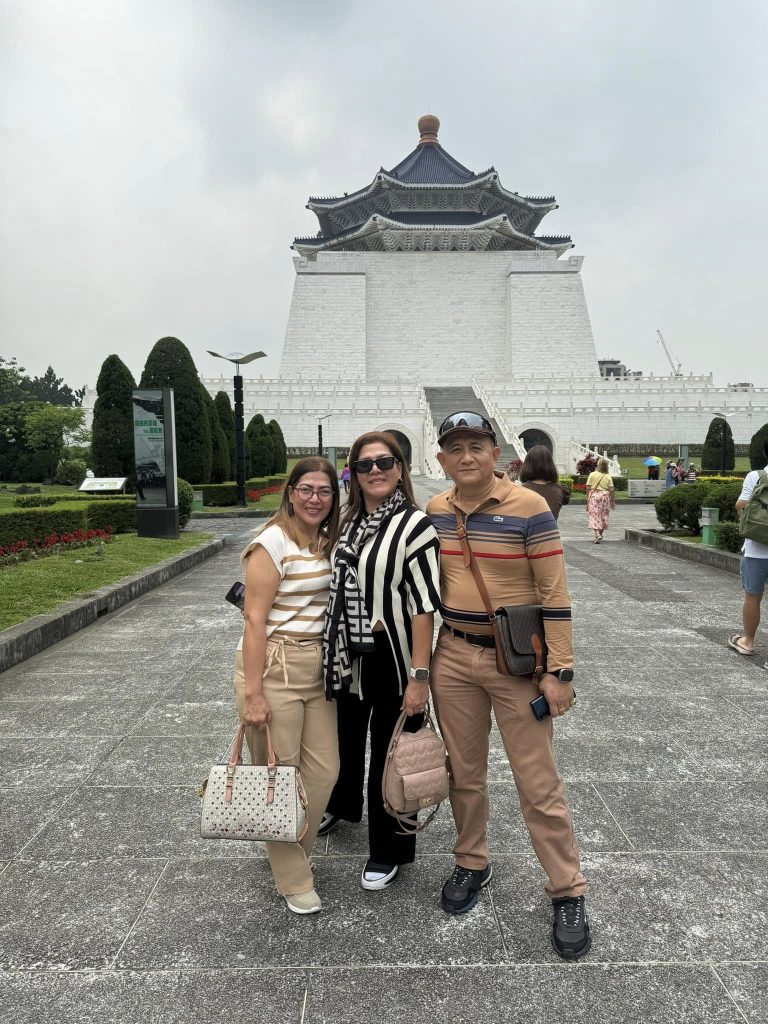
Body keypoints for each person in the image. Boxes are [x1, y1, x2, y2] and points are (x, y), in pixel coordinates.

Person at [426, 411, 590, 961]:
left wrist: (559, 669)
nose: (466, 456)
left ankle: (567, 889)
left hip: (516, 663)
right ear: (441, 460)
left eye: (477, 445)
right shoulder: (435, 511)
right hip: (452, 656)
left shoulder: (529, 507)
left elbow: (555, 591)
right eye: (456, 448)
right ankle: (471, 860)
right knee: (463, 773)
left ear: (496, 454)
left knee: (537, 780)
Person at [319, 431, 441, 891]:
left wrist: (420, 676)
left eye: (384, 462)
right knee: (343, 741)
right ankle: (343, 805)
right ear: (353, 473)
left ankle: (389, 848)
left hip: (393, 659)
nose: (375, 470)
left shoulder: (415, 526)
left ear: (400, 469)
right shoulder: (348, 524)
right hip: (346, 655)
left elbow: (424, 606)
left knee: (392, 757)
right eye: (364, 464)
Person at [234, 457, 341, 916]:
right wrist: (253, 693)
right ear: (291, 492)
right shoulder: (271, 541)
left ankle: (286, 846)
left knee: (323, 772)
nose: (315, 499)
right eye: (307, 489)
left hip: (317, 666)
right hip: (273, 665)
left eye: (325, 491)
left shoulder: (325, 541)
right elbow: (254, 618)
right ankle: (294, 875)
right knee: (279, 774)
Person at [728, 438, 768, 668]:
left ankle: (748, 642)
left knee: (753, 596)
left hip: (755, 549)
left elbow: (740, 506)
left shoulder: (755, 477)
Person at [519, 444, 571, 520]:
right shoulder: (560, 489)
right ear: (550, 464)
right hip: (551, 531)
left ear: (527, 465)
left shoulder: (519, 490)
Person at [585, 457, 615, 544]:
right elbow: (611, 489)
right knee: (604, 515)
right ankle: (600, 534)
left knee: (594, 515)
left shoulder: (592, 474)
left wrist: (588, 498)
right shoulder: (608, 476)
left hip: (594, 496)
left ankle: (597, 534)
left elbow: (588, 487)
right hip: (605, 496)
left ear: (598, 465)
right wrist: (612, 501)